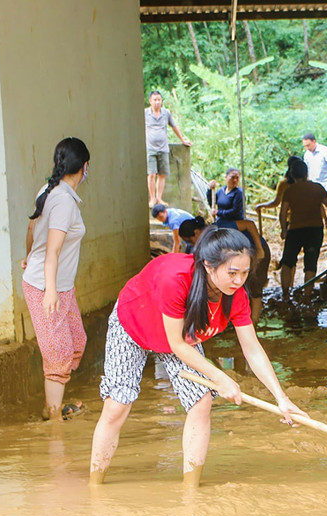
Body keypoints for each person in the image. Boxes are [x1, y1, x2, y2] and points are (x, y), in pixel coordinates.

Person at [89, 227, 308, 486]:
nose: (238, 281)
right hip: (134, 324)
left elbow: (251, 348)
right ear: (208, 265)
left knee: (202, 401)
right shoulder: (176, 279)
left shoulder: (236, 296)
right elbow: (177, 345)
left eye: (245, 273)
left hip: (180, 337)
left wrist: (281, 398)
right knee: (117, 405)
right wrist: (220, 376)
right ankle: (95, 486)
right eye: (232, 273)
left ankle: (190, 491)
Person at [21, 137, 90, 421]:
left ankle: (55, 402)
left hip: (60, 286)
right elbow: (53, 250)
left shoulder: (51, 190)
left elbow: (32, 226)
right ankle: (52, 419)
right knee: (58, 354)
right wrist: (50, 291)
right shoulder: (62, 201)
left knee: (77, 343)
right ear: (84, 167)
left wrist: (28, 255)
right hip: (46, 287)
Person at [180, 216, 270, 323]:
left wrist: (260, 250)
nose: (191, 245)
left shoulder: (221, 228)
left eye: (190, 241)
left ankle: (254, 321)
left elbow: (249, 224)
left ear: (196, 232)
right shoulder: (205, 243)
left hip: (257, 250)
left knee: (255, 288)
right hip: (236, 260)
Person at [279, 161, 327, 300]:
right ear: (306, 173)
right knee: (310, 262)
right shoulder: (317, 188)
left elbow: (283, 213)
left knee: (288, 262)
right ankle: (307, 295)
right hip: (314, 230)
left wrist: (284, 229)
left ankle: (285, 294)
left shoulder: (289, 191)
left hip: (295, 230)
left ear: (292, 175)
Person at [146, 91, 192, 208]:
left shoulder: (166, 113)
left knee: (162, 174)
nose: (157, 102)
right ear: (150, 101)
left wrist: (182, 140)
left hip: (163, 148)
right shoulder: (145, 113)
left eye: (159, 100)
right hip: (150, 148)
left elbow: (174, 126)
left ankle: (159, 198)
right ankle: (152, 199)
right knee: (151, 174)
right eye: (154, 100)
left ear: (161, 101)